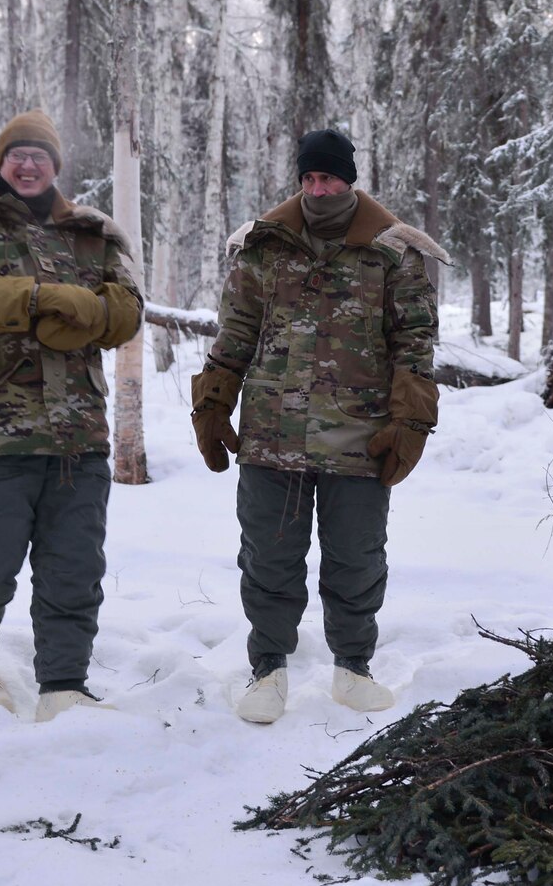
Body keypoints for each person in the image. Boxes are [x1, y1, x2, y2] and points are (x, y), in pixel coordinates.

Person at [191, 129, 448, 723]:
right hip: (271, 437)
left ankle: (353, 669)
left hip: (360, 437)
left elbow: (415, 344)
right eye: (308, 178)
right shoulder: (264, 247)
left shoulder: (393, 252)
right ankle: (268, 671)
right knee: (268, 559)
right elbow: (235, 335)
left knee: (357, 559)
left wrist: (412, 420)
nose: (317, 189)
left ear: (348, 180)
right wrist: (211, 404)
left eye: (327, 178)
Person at [0, 110, 144, 722]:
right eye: (18, 154)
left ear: (57, 165)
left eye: (40, 154)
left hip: (79, 437)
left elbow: (128, 309)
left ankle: (64, 686)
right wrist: (34, 299)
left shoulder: (93, 235)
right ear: (1, 162)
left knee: (74, 573)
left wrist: (93, 313)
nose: (29, 164)